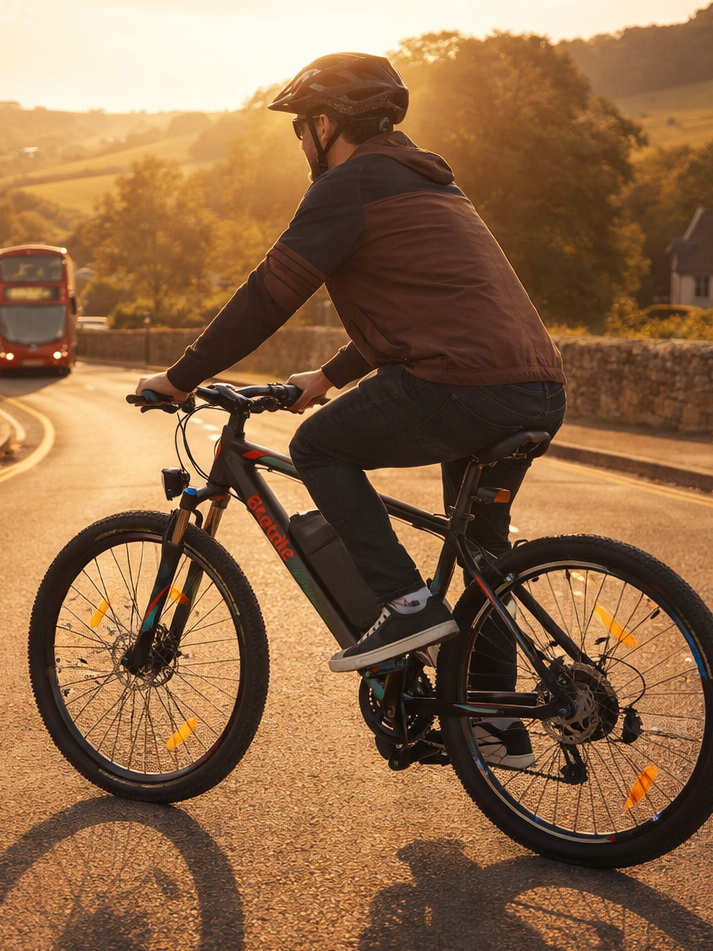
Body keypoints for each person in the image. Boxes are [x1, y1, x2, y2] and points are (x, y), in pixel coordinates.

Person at [135, 53, 565, 766]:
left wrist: (180, 378)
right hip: (532, 387)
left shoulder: (349, 184)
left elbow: (270, 293)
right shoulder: (429, 182)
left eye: (302, 128)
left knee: (320, 449)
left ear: (326, 124)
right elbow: (428, 307)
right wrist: (329, 374)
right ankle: (495, 725)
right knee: (483, 557)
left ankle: (404, 607)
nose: (301, 143)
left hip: (460, 385)